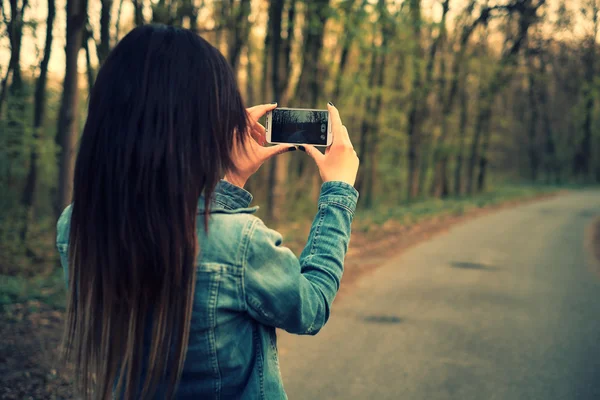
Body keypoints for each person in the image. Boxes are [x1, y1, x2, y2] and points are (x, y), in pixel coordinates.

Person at [56, 24, 359, 400]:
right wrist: (338, 193)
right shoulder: (241, 243)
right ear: (204, 124)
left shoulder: (75, 225)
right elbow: (310, 308)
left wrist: (231, 180)